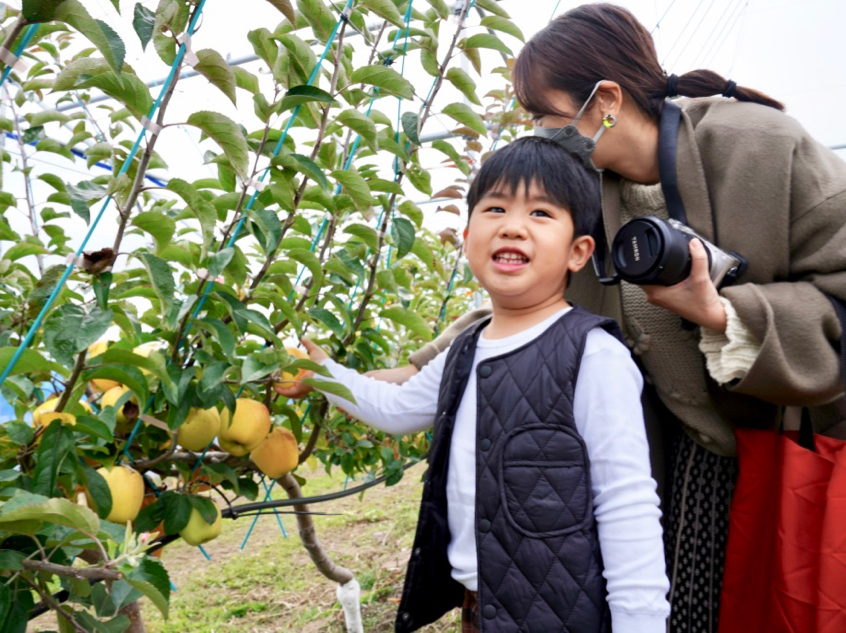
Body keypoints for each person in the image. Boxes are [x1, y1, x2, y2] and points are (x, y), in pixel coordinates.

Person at [364, 3, 846, 633]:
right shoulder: (589, 193)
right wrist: (416, 367)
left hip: (793, 446)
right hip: (687, 453)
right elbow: (527, 297)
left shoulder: (761, 146)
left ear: (607, 101)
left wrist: (725, 313)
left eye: (545, 115)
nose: (538, 133)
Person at [282, 136, 671, 632]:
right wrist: (325, 376)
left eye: (541, 214)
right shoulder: (464, 350)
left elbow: (626, 504)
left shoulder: (593, 355)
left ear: (578, 252)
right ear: (467, 236)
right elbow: (400, 409)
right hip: (479, 611)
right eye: (495, 208)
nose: (513, 226)